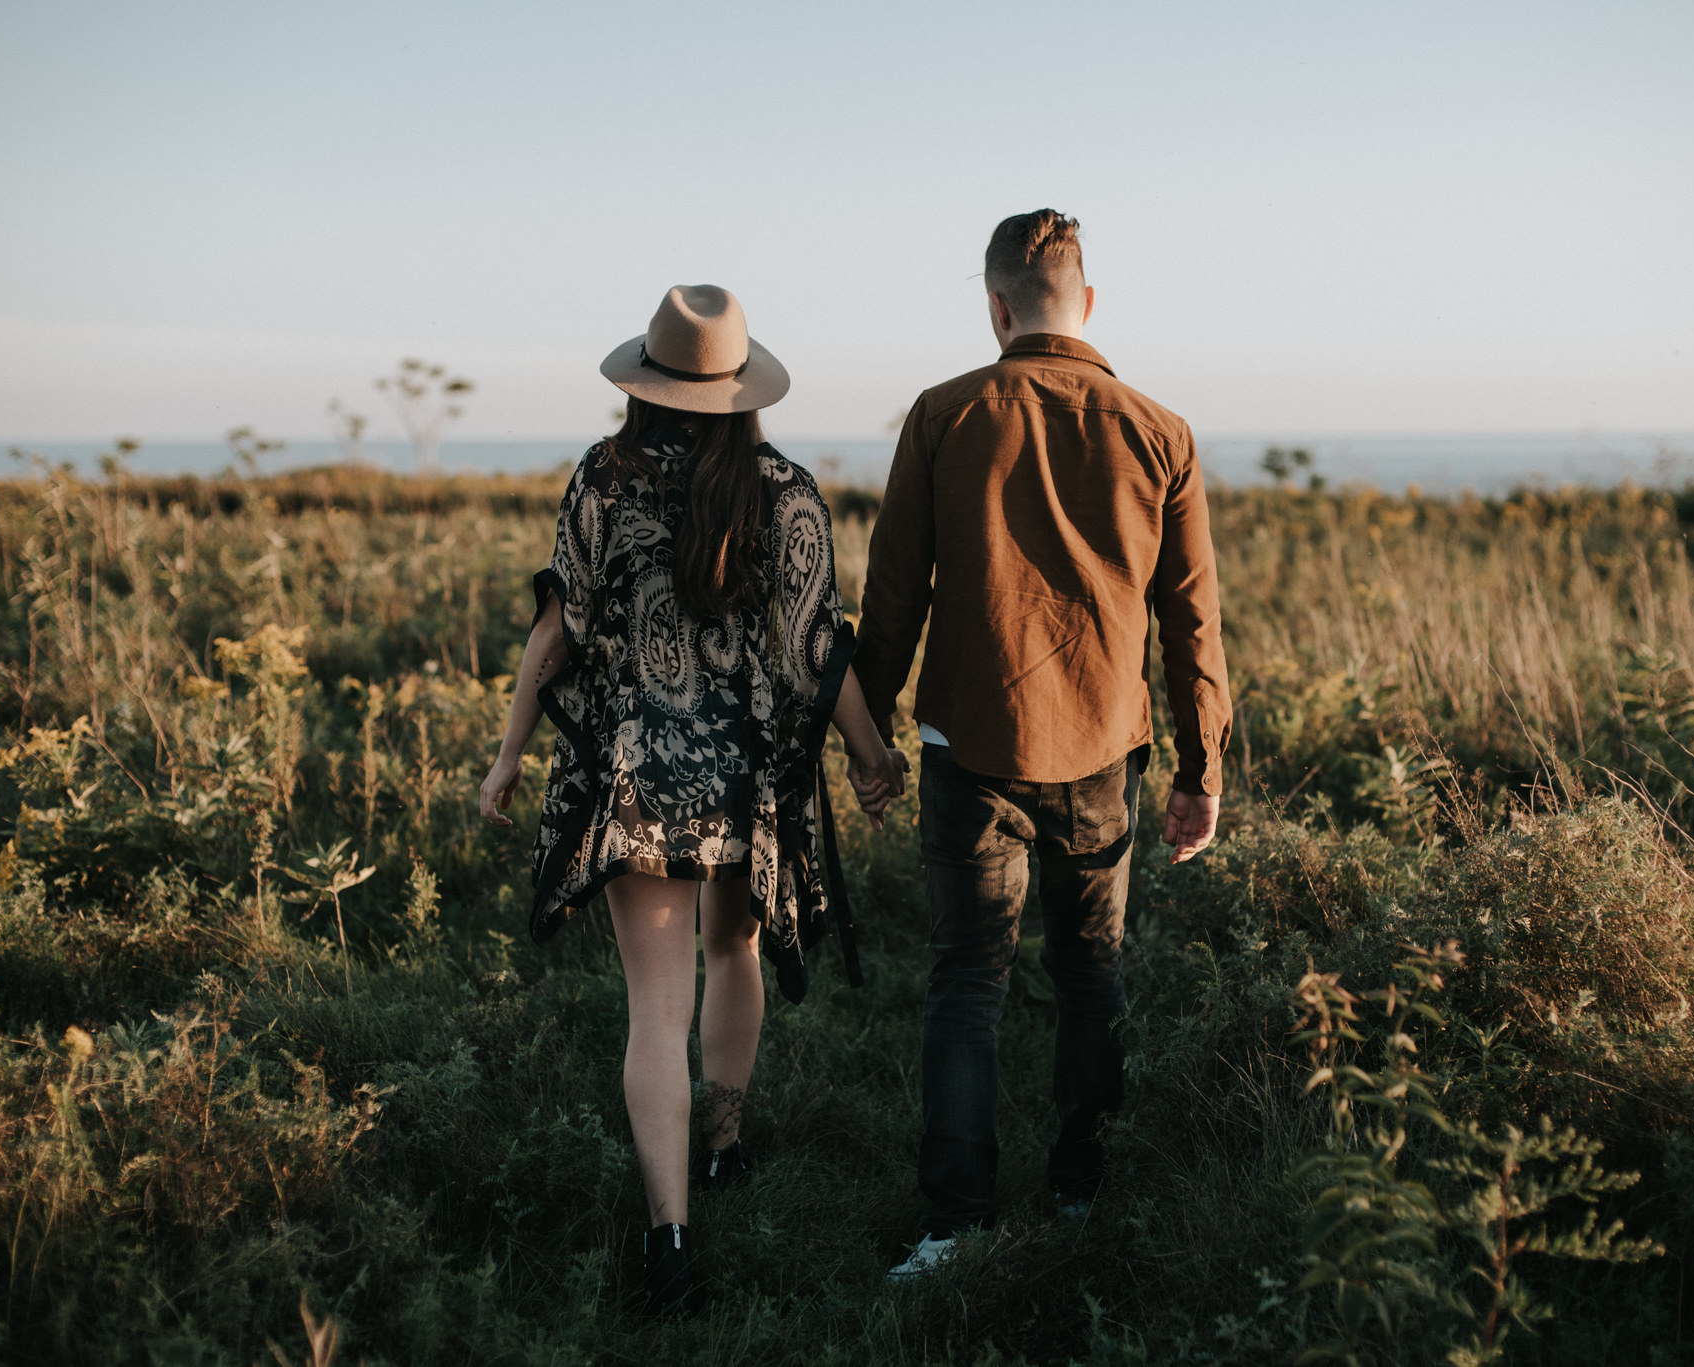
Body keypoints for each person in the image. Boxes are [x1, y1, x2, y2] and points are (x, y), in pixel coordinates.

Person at [478, 284, 904, 1314]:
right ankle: (724, 1147)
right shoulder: (786, 490)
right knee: (734, 953)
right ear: (740, 387)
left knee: (653, 1009)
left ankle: (667, 1235)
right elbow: (813, 650)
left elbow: (558, 630)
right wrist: (870, 751)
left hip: (635, 776)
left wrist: (506, 756)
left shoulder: (602, 478)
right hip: (744, 776)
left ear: (647, 383)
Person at [853, 211, 1232, 1278]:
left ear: (994, 307)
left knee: (966, 980)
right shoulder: (1162, 429)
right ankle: (1077, 1189)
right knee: (1090, 971)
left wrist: (866, 731)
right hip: (1102, 754)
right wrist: (1201, 769)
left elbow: (891, 595)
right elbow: (1191, 622)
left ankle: (953, 1225)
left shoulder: (941, 413)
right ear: (1088, 304)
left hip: (967, 747)